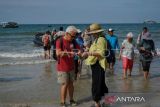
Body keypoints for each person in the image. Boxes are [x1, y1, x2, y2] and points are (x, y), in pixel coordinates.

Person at [82, 23, 108, 107]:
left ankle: (97, 103)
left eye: (92, 33)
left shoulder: (100, 39)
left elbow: (101, 53)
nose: (91, 34)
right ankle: (103, 101)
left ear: (96, 32)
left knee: (96, 84)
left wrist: (88, 53)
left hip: (98, 64)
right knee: (100, 83)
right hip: (96, 64)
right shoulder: (96, 39)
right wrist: (87, 51)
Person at [56, 26, 80, 107]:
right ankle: (62, 102)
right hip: (62, 68)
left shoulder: (74, 41)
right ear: (66, 33)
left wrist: (80, 52)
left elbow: (79, 49)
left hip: (71, 66)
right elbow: (58, 53)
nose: (74, 37)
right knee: (64, 84)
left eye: (75, 36)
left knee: (71, 84)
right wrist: (69, 53)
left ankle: (71, 99)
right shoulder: (60, 40)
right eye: (72, 36)